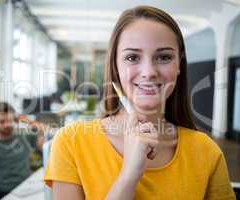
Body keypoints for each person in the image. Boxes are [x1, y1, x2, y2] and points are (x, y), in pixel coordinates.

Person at [43, 5, 236, 200]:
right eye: (132, 57)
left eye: (164, 57)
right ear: (115, 66)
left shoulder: (207, 151)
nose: (149, 71)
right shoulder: (71, 142)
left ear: (179, 65)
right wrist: (129, 175)